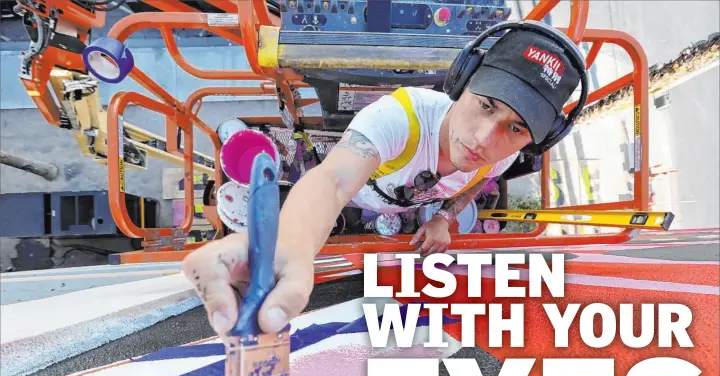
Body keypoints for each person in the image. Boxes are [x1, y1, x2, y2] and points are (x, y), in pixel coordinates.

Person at [182, 21, 585, 337]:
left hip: (413, 204)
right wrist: (292, 246)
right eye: (486, 105)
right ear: (462, 83)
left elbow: (482, 179)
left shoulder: (504, 152)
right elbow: (336, 181)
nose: (484, 140)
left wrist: (444, 216)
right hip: (362, 194)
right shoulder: (399, 117)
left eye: (516, 128)